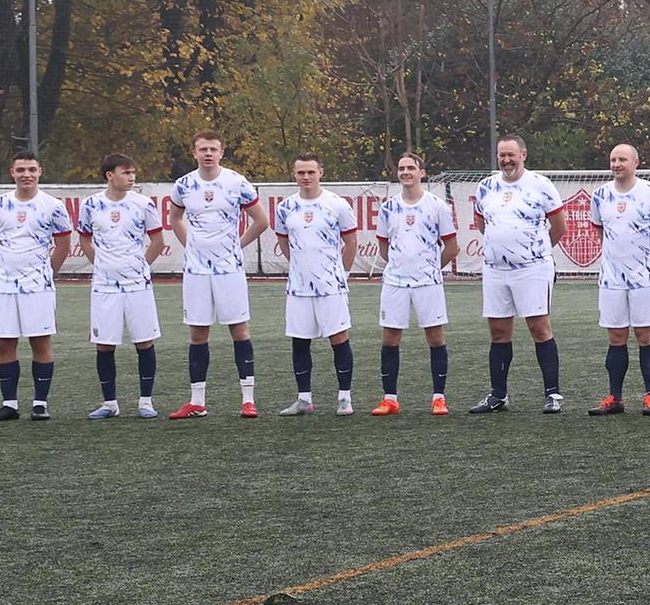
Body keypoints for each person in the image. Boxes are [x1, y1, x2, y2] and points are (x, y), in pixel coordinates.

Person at [472, 135, 569, 414]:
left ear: (523, 155)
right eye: (502, 155)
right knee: (499, 332)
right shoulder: (486, 187)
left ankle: (553, 394)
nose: (506, 160)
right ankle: (498, 395)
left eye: (511, 155)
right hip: (495, 270)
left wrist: (534, 251)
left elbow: (559, 226)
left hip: (532, 268)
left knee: (539, 328)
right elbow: (482, 223)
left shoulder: (540, 185)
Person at [168, 132, 262, 418]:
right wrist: (192, 247)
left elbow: (262, 221)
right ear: (194, 152)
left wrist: (236, 245)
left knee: (239, 330)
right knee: (197, 333)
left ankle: (248, 400)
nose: (208, 153)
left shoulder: (236, 182)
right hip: (196, 271)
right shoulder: (183, 185)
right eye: (202, 149)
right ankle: (197, 403)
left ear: (222, 152)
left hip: (228, 269)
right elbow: (175, 218)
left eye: (213, 149)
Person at [75, 154, 170, 418]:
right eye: (126, 173)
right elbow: (84, 240)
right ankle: (110, 404)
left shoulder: (143, 204)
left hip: (137, 284)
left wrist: (141, 267)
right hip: (104, 286)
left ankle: (146, 401)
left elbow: (157, 241)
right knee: (104, 344)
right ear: (110, 175)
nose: (132, 177)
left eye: (133, 173)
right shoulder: (91, 204)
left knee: (144, 341)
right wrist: (102, 266)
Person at [0, 153, 72, 420]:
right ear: (12, 172)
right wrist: (8, 267)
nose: (26, 174)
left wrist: (46, 273)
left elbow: (63, 245)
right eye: (21, 170)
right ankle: (10, 404)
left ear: (40, 171)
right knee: (5, 344)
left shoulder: (53, 205)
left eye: (31, 169)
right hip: (4, 286)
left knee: (40, 343)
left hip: (38, 286)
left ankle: (40, 404)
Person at [269, 158, 362, 414]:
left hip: (331, 285)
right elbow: (284, 241)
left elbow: (350, 241)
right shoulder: (286, 207)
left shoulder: (337, 204)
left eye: (311, 172)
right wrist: (300, 267)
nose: (306, 176)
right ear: (294, 174)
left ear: (321, 172)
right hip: (299, 287)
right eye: (301, 172)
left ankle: (345, 398)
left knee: (339, 338)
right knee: (299, 341)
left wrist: (342, 273)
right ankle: (304, 399)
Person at [590, 143, 650, 416]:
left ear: (636, 163)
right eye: (613, 159)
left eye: (622, 159)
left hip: (644, 277)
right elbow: (600, 230)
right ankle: (615, 397)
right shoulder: (600, 195)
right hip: (612, 278)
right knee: (616, 337)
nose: (616, 164)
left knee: (644, 335)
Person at [372, 153, 458, 414]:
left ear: (422, 172)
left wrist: (430, 268)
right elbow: (384, 246)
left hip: (427, 282)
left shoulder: (437, 206)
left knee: (435, 337)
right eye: (401, 168)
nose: (405, 172)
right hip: (395, 283)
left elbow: (452, 247)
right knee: (390, 338)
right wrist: (400, 265)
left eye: (411, 167)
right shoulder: (388, 207)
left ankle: (438, 398)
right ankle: (390, 399)